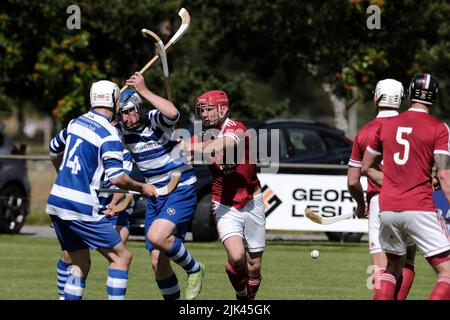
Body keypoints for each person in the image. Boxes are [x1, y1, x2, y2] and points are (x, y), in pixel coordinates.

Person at [47, 80, 157, 300]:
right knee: (122, 257)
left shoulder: (75, 122)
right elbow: (117, 177)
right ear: (114, 101)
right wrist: (142, 186)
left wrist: (64, 177)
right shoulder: (110, 134)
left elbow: (53, 148)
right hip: (81, 205)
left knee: (80, 263)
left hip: (56, 201)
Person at [117, 72, 205, 300]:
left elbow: (173, 113)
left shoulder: (154, 119)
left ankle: (195, 268)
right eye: (122, 113)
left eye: (129, 111)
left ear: (138, 107)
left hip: (180, 187)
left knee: (157, 237)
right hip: (155, 194)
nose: (126, 117)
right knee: (158, 262)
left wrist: (143, 90)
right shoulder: (122, 132)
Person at [362, 73, 450, 300]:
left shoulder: (387, 125)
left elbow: (367, 167)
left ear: (410, 94)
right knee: (447, 273)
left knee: (391, 268)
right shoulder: (440, 128)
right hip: (419, 206)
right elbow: (443, 176)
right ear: (435, 97)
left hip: (388, 208)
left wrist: (393, 182)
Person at [184, 89, 265, 300]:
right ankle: (241, 295)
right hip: (224, 203)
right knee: (237, 257)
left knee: (254, 265)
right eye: (202, 110)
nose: (205, 114)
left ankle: (248, 301)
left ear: (224, 109)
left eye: (209, 109)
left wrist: (193, 147)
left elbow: (226, 143)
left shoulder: (237, 128)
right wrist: (182, 150)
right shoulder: (200, 134)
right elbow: (186, 153)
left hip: (252, 201)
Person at [347, 79, 416, 299]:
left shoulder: (365, 132)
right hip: (415, 199)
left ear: (376, 98)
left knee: (383, 266)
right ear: (402, 98)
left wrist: (361, 204)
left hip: (381, 201)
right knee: (408, 261)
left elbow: (352, 181)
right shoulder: (414, 127)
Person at [54, 149, 134, 300]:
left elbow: (122, 184)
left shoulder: (123, 152)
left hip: (115, 210)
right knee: (70, 257)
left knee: (118, 255)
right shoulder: (87, 150)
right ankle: (62, 297)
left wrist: (113, 204)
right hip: (87, 206)